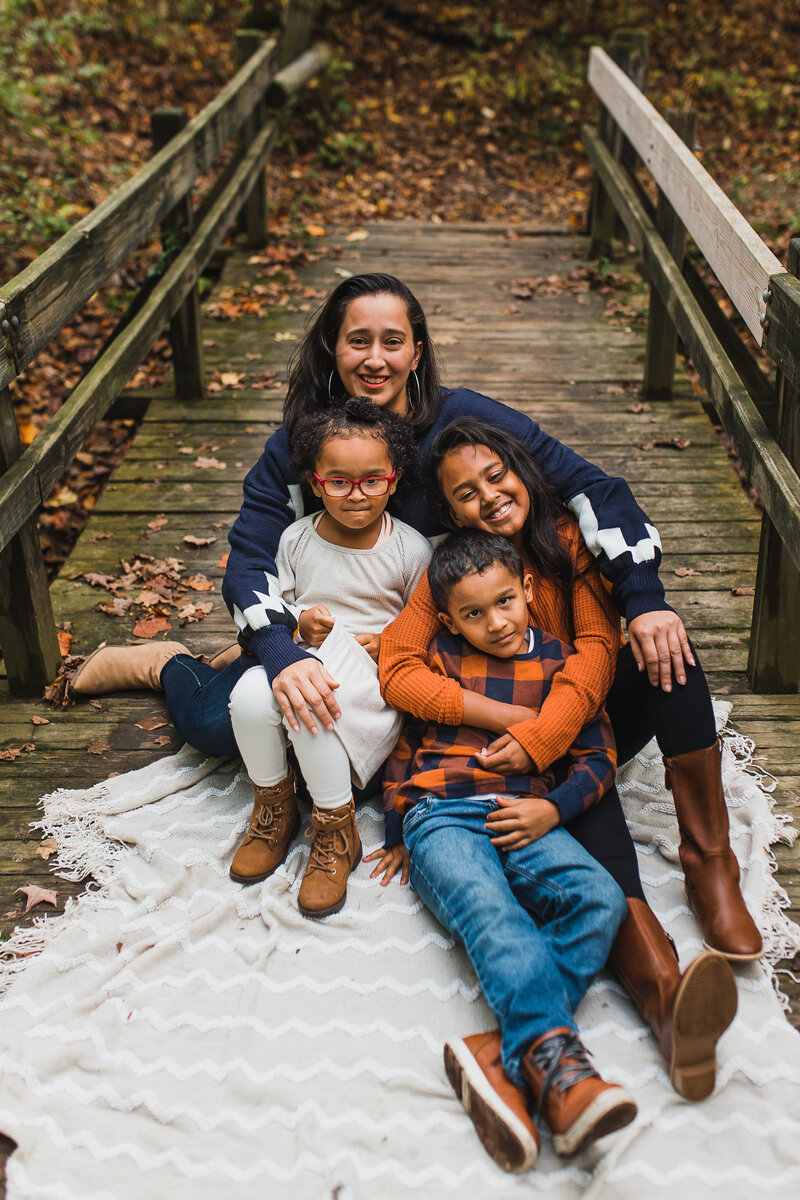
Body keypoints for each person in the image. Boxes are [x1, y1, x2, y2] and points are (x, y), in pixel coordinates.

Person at [71, 274, 742, 1074]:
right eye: (359, 339)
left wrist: (646, 599)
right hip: (353, 642)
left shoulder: (469, 428)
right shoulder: (299, 445)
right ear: (331, 346)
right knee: (225, 722)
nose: (377, 357)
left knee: (666, 652)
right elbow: (254, 559)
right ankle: (172, 662)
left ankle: (706, 871)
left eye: (394, 340)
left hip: (495, 672)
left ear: (417, 349)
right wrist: (281, 650)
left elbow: (596, 489)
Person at [379, 417, 745, 1104]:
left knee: (671, 656)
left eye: (496, 476)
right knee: (590, 818)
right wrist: (508, 721)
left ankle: (709, 862)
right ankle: (663, 996)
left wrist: (544, 737)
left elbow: (594, 656)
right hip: (512, 749)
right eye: (464, 492)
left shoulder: (568, 543)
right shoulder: (453, 570)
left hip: (578, 713)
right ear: (449, 510)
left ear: (523, 470)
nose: (487, 497)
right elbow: (398, 669)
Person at [382, 529, 636, 1171]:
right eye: (472, 613)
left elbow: (597, 755)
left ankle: (503, 1051)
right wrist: (396, 829)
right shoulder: (436, 662)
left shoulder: (560, 667)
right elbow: (402, 746)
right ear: (446, 618)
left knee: (599, 898)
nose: (494, 623)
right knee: (492, 909)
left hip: (526, 815)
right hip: (442, 815)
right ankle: (562, 1074)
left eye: (504, 602)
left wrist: (554, 808)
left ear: (527, 589)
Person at [225, 398, 430, 916]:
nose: (355, 496)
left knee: (311, 705)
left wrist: (390, 641)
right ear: (316, 484)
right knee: (249, 696)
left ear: (394, 479)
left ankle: (335, 828)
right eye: (338, 482)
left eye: (371, 481)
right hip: (305, 658)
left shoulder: (408, 548)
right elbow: (282, 601)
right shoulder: (296, 538)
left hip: (369, 679)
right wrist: (296, 622)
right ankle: (274, 806)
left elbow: (425, 620)